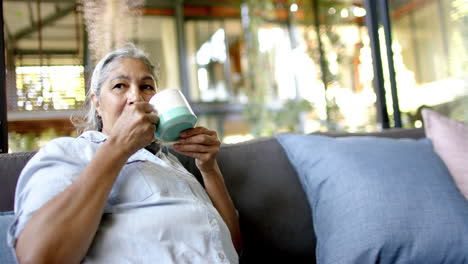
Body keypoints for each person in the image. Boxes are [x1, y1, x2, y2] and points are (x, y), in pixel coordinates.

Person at [7, 44, 241, 263]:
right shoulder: (72, 152)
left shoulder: (171, 163)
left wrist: (209, 169)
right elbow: (38, 256)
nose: (136, 97)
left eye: (146, 87)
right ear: (97, 104)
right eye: (120, 86)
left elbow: (232, 245)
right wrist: (118, 147)